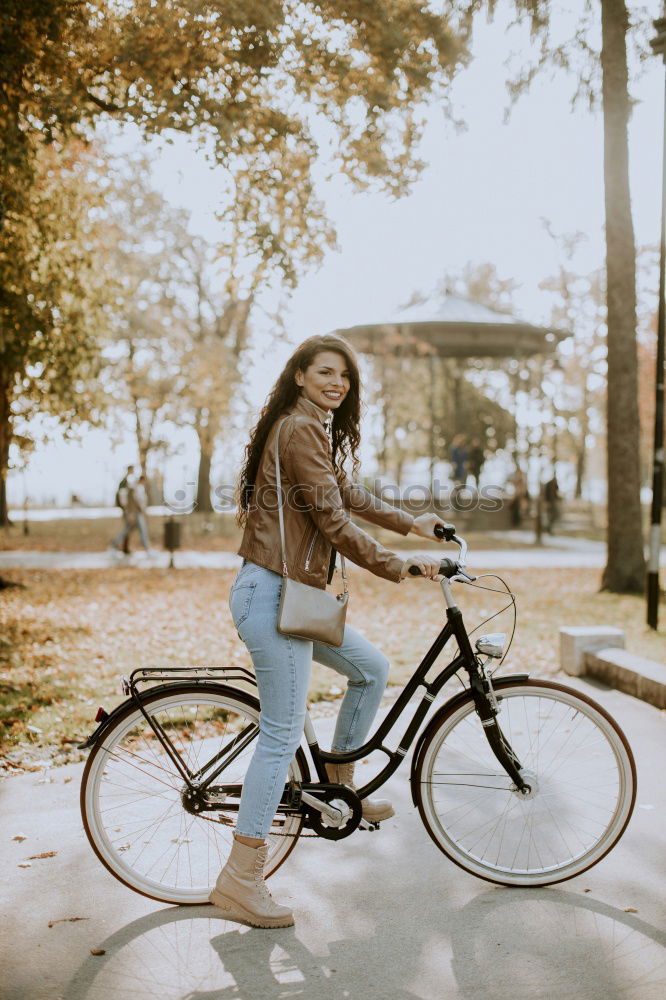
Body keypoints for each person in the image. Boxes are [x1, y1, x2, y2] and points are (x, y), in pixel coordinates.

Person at [209, 334, 451, 929]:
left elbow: (344, 492)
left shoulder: (308, 429)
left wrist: (411, 523)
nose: (336, 382)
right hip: (273, 597)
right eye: (324, 372)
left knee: (371, 669)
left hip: (294, 599)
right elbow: (332, 518)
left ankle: (339, 789)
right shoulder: (297, 429)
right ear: (299, 376)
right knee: (282, 731)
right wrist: (398, 563)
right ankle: (241, 879)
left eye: (344, 375)